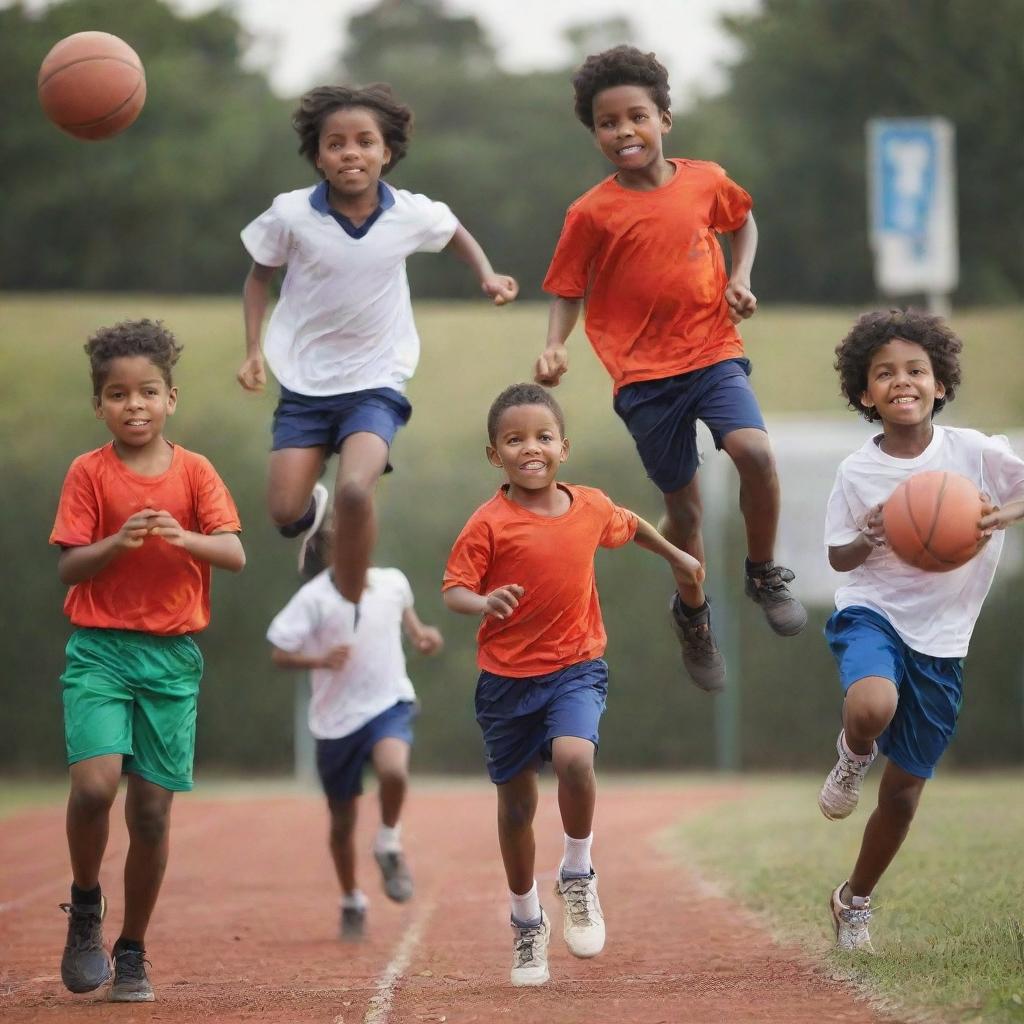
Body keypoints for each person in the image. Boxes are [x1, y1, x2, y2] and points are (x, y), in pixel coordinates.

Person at [534, 45, 806, 694]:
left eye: (637, 116)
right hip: (643, 377)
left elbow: (743, 223)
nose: (624, 131)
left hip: (713, 350)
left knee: (756, 455)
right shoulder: (591, 213)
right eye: (608, 123)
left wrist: (740, 277)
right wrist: (555, 345)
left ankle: (764, 571)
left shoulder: (706, 180)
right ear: (594, 134)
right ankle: (692, 614)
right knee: (681, 513)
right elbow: (567, 286)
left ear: (665, 119)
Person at [441, 383, 704, 986]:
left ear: (564, 446)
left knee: (574, 758)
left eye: (542, 436)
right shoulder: (487, 524)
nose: (530, 448)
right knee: (516, 808)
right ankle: (526, 921)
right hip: (506, 683)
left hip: (575, 666)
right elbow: (453, 590)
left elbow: (629, 522)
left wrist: (677, 557)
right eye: (514, 439)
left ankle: (579, 872)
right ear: (494, 455)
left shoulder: (587, 506)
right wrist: (484, 600)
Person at [238, 82, 518, 605]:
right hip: (304, 381)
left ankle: (351, 599)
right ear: (318, 157)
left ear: (386, 154)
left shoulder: (409, 212)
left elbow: (453, 229)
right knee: (283, 513)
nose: (351, 152)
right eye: (336, 143)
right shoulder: (291, 214)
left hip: (376, 380)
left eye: (365, 142)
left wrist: (486, 273)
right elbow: (258, 279)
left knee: (354, 490)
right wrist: (253, 349)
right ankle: (312, 520)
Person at [50, 320, 245, 1002]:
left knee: (153, 815)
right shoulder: (88, 473)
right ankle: (84, 908)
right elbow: (71, 565)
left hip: (170, 660)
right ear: (99, 404)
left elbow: (234, 551)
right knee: (96, 787)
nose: (134, 405)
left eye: (147, 392)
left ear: (171, 399)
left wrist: (181, 535)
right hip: (100, 651)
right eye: (117, 394)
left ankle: (131, 950)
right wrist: (116, 542)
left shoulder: (195, 472)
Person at [819, 309, 1024, 952]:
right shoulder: (858, 471)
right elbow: (838, 557)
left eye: (915, 370)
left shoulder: (975, 452)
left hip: (944, 638)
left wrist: (999, 517)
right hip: (873, 611)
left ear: (939, 384)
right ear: (863, 392)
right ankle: (851, 758)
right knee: (872, 703)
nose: (901, 381)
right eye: (884, 373)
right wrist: (870, 531)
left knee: (903, 796)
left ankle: (854, 900)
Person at [267, 523, 443, 940]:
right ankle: (351, 899)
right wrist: (318, 658)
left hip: (388, 704)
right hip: (336, 722)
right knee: (342, 823)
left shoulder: (392, 583)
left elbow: (414, 627)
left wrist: (425, 637)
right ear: (331, 557)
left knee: (395, 771)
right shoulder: (313, 599)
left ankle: (388, 841)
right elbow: (280, 652)